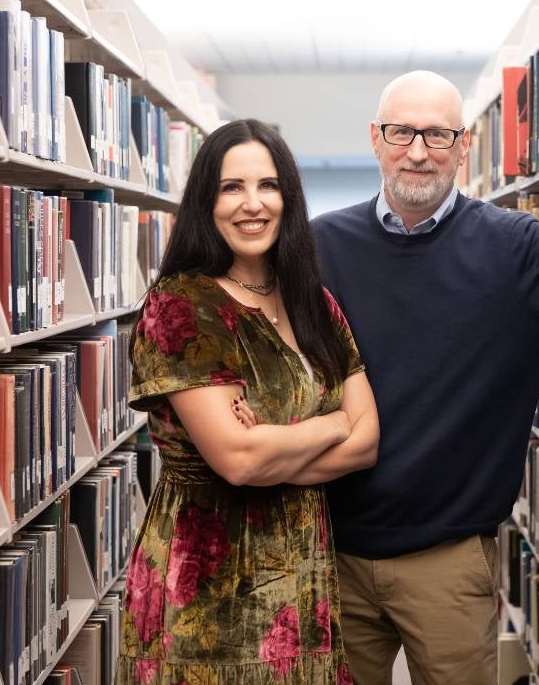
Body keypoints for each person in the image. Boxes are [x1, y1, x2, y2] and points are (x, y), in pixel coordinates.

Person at [311, 70, 539, 685]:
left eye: (437, 134)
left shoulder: (514, 246)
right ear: (376, 139)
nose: (419, 151)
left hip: (449, 561)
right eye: (403, 132)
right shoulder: (320, 245)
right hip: (330, 554)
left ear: (463, 146)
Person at [119, 118, 379, 685]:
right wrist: (333, 421)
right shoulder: (182, 305)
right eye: (231, 187)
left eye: (267, 185)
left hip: (302, 580)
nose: (252, 204)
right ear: (204, 203)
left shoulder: (314, 302)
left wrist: (270, 449)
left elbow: (367, 443)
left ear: (288, 197)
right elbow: (237, 460)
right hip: (206, 590)